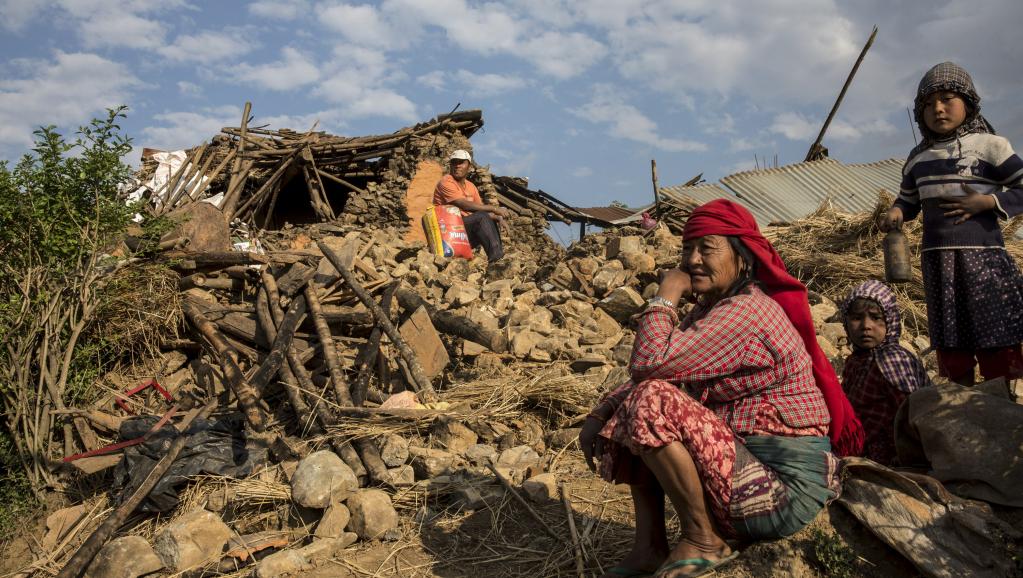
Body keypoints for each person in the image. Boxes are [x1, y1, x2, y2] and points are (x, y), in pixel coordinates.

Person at [580, 200, 863, 578]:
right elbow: (654, 374)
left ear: (742, 259)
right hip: (746, 472)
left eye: (707, 248)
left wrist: (667, 293)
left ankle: (703, 539)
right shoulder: (713, 310)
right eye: (687, 249)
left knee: (651, 402)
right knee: (636, 402)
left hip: (781, 493)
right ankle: (649, 547)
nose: (692, 260)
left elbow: (648, 364)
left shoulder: (747, 311)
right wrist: (601, 412)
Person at [880, 62, 1023, 385]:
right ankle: (959, 398)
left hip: (984, 259)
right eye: (928, 104)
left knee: (994, 329)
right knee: (950, 333)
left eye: (947, 99)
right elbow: (908, 201)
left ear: (968, 103)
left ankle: (1001, 397)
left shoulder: (991, 146)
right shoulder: (918, 158)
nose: (938, 109)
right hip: (938, 261)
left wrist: (988, 202)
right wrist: (897, 211)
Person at [840, 280, 932, 466]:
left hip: (892, 452)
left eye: (876, 318)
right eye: (857, 318)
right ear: (846, 322)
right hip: (863, 444)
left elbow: (911, 414)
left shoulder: (892, 360)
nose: (866, 326)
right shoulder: (856, 360)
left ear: (890, 321)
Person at [433, 149, 510, 263]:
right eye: (454, 162)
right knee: (481, 217)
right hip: (446, 231)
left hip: (461, 231)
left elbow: (480, 211)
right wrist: (494, 208)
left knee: (488, 219)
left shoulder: (471, 186)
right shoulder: (446, 182)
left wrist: (497, 217)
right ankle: (497, 261)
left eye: (461, 162)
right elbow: (464, 205)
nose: (457, 166)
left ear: (469, 166)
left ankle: (497, 257)